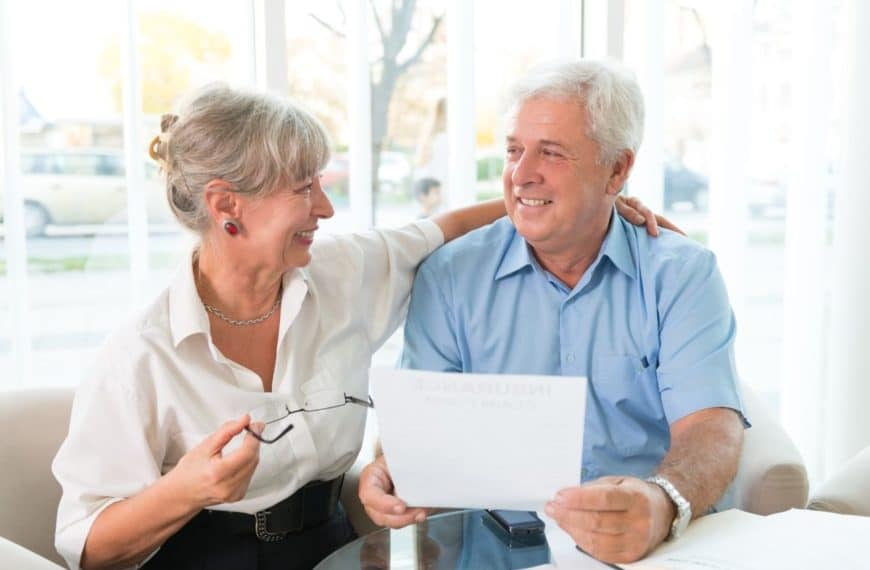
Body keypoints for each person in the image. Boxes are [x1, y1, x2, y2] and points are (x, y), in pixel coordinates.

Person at [51, 83, 663, 570]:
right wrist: (185, 490)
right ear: (226, 205)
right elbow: (87, 546)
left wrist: (597, 205)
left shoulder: (342, 271)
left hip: (336, 549)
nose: (325, 207)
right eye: (303, 188)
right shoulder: (142, 356)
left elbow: (446, 228)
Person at [358, 59, 747, 565]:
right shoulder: (450, 276)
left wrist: (662, 501)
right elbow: (424, 434)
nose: (521, 174)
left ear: (617, 170)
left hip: (651, 551)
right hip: (498, 549)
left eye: (552, 153)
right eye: (514, 151)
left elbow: (711, 426)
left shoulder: (682, 274)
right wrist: (396, 470)